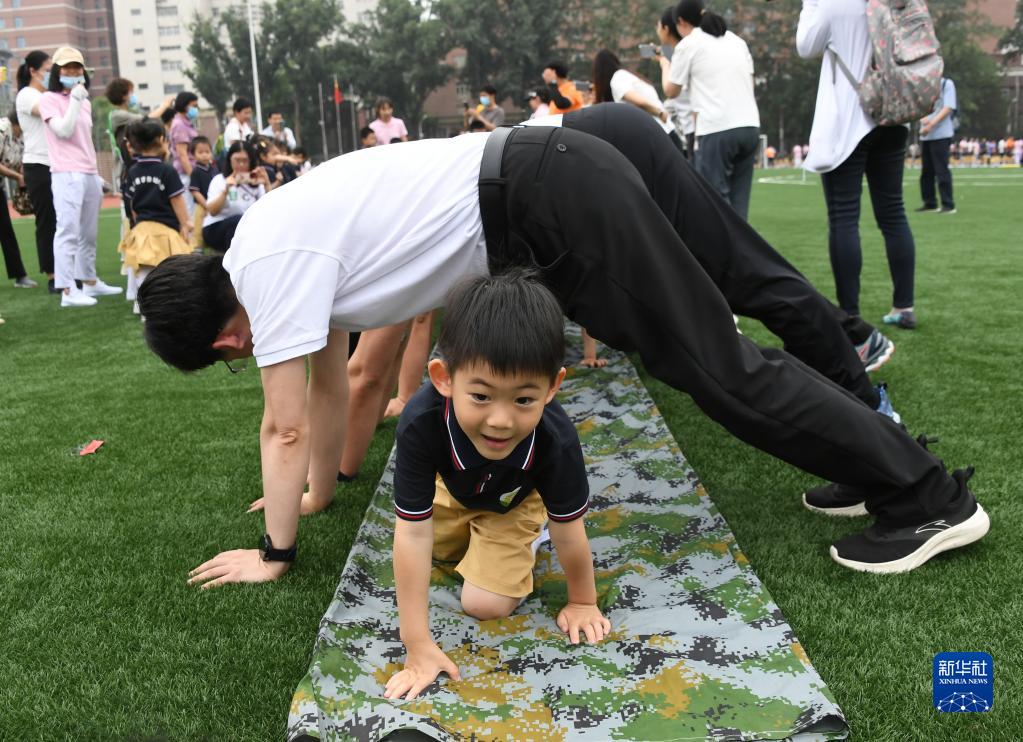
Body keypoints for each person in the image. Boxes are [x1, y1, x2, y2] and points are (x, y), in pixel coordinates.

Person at [142, 122, 986, 591]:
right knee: (719, 352)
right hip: (547, 185)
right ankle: (877, 466)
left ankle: (926, 497)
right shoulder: (270, 244)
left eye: (229, 360)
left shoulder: (266, 267)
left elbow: (285, 425)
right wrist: (319, 494)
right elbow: (337, 386)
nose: (244, 360)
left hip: (549, 198)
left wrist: (276, 555)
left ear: (223, 340)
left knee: (717, 369)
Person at [383, 272, 610, 701]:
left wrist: (583, 601)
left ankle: (529, 535)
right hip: (455, 492)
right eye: (482, 396)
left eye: (523, 399)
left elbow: (569, 529)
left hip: (516, 504)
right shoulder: (420, 422)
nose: (501, 421)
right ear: (444, 378)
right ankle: (474, 529)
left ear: (552, 387)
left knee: (484, 604)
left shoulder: (556, 440)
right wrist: (417, 645)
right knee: (432, 549)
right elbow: (411, 532)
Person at [798, 0, 919, 330]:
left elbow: (806, 47)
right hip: (894, 113)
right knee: (893, 214)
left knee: (844, 217)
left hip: (849, 117)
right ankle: (904, 306)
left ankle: (850, 313)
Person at [661, 0, 761, 220]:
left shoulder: (689, 44)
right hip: (750, 126)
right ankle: (742, 243)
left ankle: (724, 244)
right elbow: (750, 84)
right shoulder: (737, 41)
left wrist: (665, 65)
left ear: (681, 22)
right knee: (739, 206)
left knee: (715, 206)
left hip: (717, 129)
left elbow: (671, 90)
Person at [39, 46, 122, 307]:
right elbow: (63, 130)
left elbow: (84, 139)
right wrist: (74, 100)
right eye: (67, 68)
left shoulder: (84, 101)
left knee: (88, 232)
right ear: (57, 71)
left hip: (88, 171)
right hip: (66, 172)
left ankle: (89, 280)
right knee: (67, 231)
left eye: (77, 68)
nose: (73, 72)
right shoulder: (49, 99)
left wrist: (96, 173)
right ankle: (67, 289)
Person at [117, 120, 192, 314]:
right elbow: (177, 200)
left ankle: (143, 308)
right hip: (165, 230)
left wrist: (136, 225)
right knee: (169, 270)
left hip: (142, 229)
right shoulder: (166, 170)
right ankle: (168, 306)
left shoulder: (133, 171)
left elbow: (132, 204)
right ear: (160, 140)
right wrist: (186, 224)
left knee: (144, 272)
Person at [15, 50, 56, 291]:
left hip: (57, 164)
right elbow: (47, 111)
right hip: (38, 165)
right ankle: (52, 275)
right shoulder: (26, 95)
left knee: (63, 220)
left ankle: (69, 271)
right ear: (33, 71)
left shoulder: (47, 94)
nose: (52, 74)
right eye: (48, 70)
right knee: (47, 221)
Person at [591, 49, 677, 144]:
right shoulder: (627, 76)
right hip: (664, 130)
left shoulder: (618, 78)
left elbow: (639, 102)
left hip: (658, 132)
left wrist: (660, 113)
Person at [105, 78, 174, 192]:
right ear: (124, 96)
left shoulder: (125, 114)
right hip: (125, 169)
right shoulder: (118, 115)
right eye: (131, 92)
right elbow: (149, 118)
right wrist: (165, 105)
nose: (133, 96)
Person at [201, 140, 270, 252]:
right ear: (230, 160)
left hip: (246, 227)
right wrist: (226, 190)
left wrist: (267, 184)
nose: (241, 165)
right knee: (238, 221)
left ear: (251, 161)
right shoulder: (219, 180)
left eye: (245, 161)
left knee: (246, 224)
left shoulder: (256, 182)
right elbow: (212, 212)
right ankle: (234, 260)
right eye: (237, 160)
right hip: (217, 227)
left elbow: (268, 210)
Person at [0, 110, 36, 288]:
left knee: (6, 231)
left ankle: (20, 276)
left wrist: (23, 173)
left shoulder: (22, 136)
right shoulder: (1, 130)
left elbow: (18, 161)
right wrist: (17, 177)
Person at [656, 6, 696, 159]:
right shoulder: (692, 48)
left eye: (658, 26)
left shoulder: (682, 50)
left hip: (696, 128)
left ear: (666, 29)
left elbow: (670, 91)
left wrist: (664, 64)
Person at [917, 77, 957, 215]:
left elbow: (948, 108)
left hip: (942, 134)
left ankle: (948, 204)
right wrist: (923, 119)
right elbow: (917, 105)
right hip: (926, 135)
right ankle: (930, 202)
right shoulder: (921, 84)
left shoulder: (946, 84)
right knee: (926, 171)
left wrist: (931, 124)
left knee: (941, 170)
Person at [169, 91, 200, 214]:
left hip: (189, 173)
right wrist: (193, 178)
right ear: (184, 105)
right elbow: (183, 155)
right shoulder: (180, 125)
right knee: (189, 210)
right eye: (194, 106)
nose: (196, 109)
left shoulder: (186, 123)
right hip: (185, 174)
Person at [187, 135, 217, 249]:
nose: (204, 155)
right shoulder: (196, 171)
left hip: (215, 204)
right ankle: (197, 250)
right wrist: (206, 205)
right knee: (198, 231)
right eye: (200, 152)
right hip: (202, 206)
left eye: (207, 152)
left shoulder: (214, 169)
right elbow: (195, 191)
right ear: (193, 154)